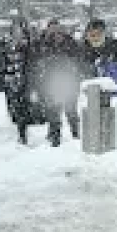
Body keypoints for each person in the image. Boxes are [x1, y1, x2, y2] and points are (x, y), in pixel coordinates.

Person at [31, 18, 82, 146]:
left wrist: (72, 69)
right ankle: (55, 139)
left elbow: (78, 58)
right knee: (53, 111)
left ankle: (75, 135)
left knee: (71, 110)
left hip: (67, 80)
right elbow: (36, 60)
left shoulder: (69, 41)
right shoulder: (42, 43)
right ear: (47, 29)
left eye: (57, 28)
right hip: (50, 81)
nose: (54, 31)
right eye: (51, 28)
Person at [0, 17, 36, 144]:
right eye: (16, 29)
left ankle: (22, 133)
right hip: (10, 80)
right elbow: (1, 62)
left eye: (21, 28)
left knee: (22, 107)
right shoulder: (4, 44)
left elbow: (31, 61)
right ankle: (21, 130)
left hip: (24, 80)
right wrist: (9, 68)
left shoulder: (28, 44)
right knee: (14, 108)